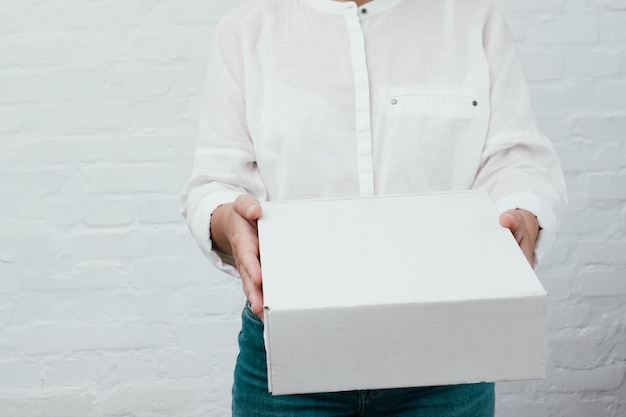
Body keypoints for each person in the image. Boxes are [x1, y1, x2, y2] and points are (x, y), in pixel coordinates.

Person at [181, 0, 567, 415]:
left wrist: (522, 212)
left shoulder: (472, 21)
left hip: (447, 359)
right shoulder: (245, 30)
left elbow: (517, 161)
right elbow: (217, 181)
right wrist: (229, 223)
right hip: (287, 358)